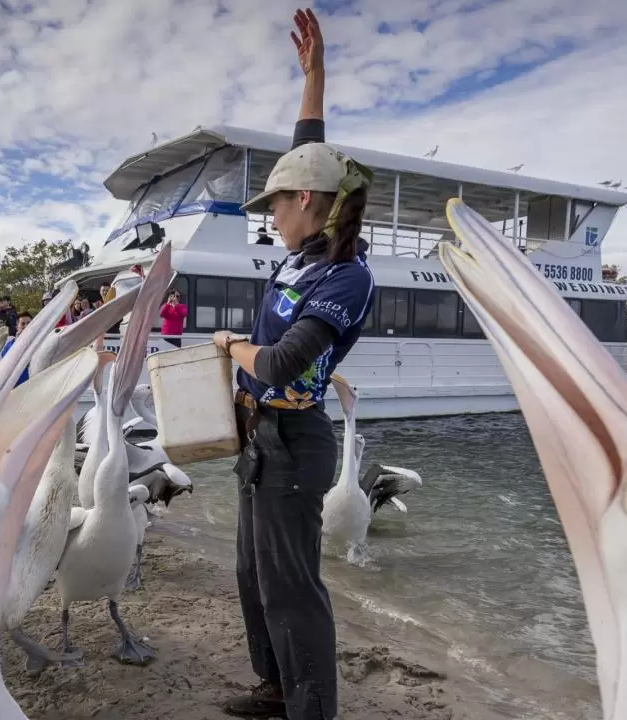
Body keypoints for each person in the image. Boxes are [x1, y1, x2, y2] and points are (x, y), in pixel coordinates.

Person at [215, 10, 373, 720]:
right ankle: (275, 687)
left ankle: (311, 710)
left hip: (297, 443)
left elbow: (279, 363)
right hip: (259, 438)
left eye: (275, 204)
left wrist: (228, 348)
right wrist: (313, 77)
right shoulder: (303, 253)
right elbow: (309, 149)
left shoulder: (345, 279)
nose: (269, 215)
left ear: (304, 203)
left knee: (293, 587)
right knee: (253, 574)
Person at [0, 311, 33, 387]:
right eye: (23, 324)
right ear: (17, 326)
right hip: (14, 389)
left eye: (29, 323)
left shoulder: (39, 343)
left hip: (33, 386)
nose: (26, 326)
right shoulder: (9, 346)